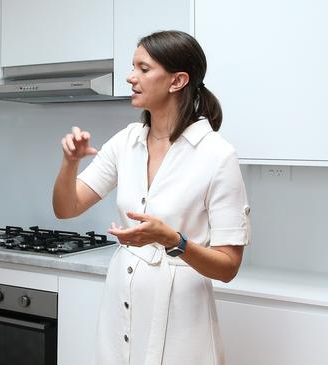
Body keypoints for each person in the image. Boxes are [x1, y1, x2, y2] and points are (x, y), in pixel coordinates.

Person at [53, 30, 250, 365]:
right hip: (121, 306)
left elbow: (228, 267)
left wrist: (174, 240)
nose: (131, 77)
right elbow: (66, 208)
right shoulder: (126, 142)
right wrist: (70, 163)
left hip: (182, 319)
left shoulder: (217, 156)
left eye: (143, 69)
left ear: (177, 81)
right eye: (133, 67)